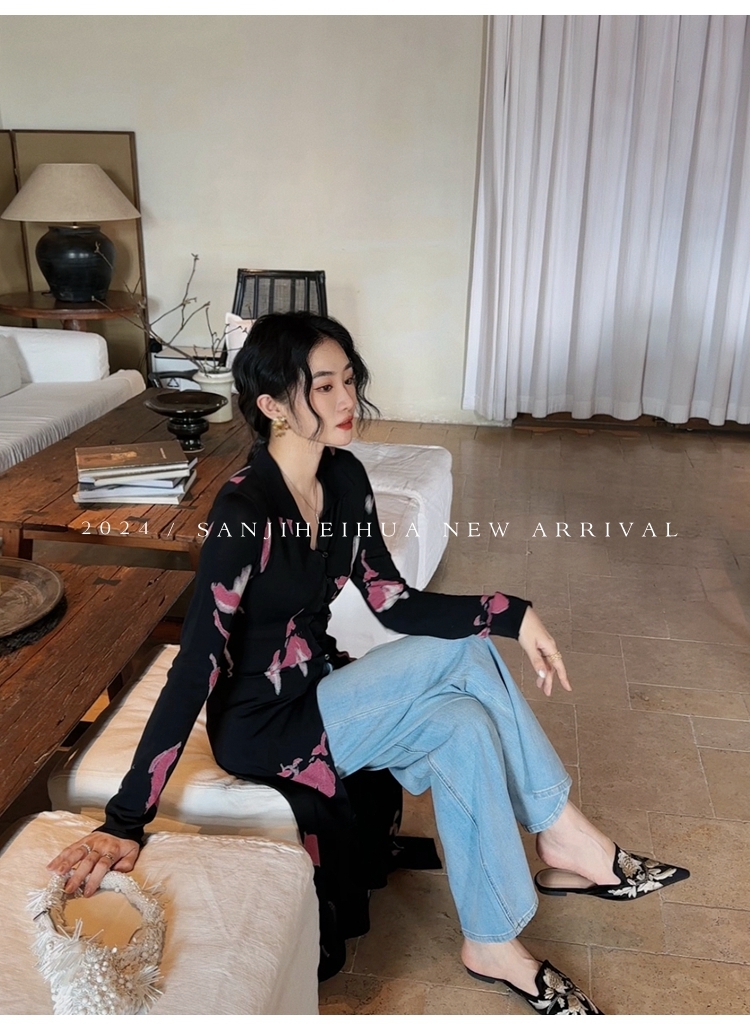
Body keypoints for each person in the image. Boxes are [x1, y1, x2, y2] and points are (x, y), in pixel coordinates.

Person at [49, 312, 689, 1016]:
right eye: (323, 386)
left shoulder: (346, 477)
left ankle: (493, 942)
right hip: (263, 727)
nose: (347, 399)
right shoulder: (244, 512)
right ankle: (563, 833)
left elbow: (392, 601)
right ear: (272, 406)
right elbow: (196, 665)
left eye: (349, 380)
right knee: (468, 651)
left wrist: (511, 610)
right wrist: (125, 818)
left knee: (465, 723)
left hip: (323, 690)